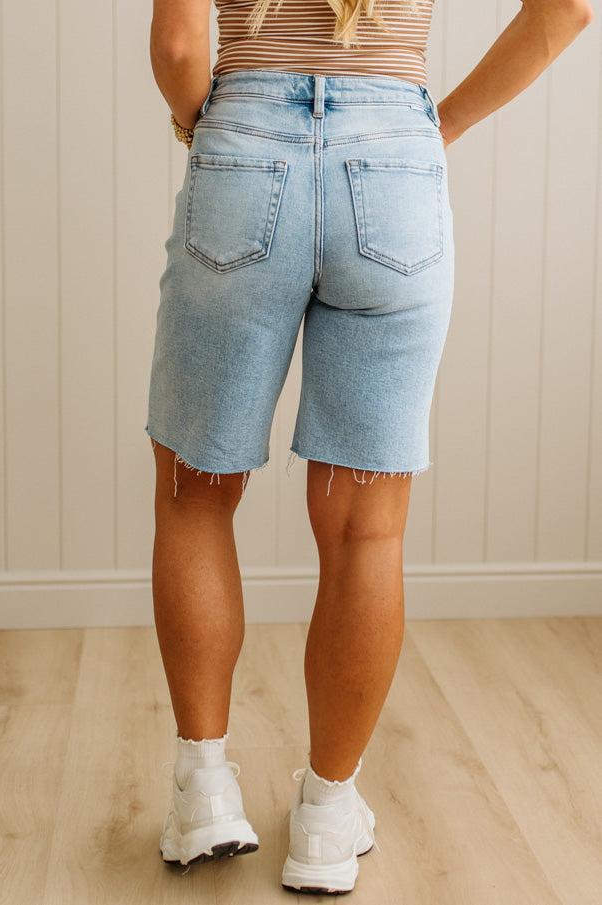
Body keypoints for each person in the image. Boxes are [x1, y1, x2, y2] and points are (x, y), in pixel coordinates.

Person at [146, 0, 593, 894]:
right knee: (365, 529)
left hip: (243, 147)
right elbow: (571, 7)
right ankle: (325, 813)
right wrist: (442, 121)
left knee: (196, 495)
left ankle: (202, 792)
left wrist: (215, 129)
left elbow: (181, 42)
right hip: (394, 160)